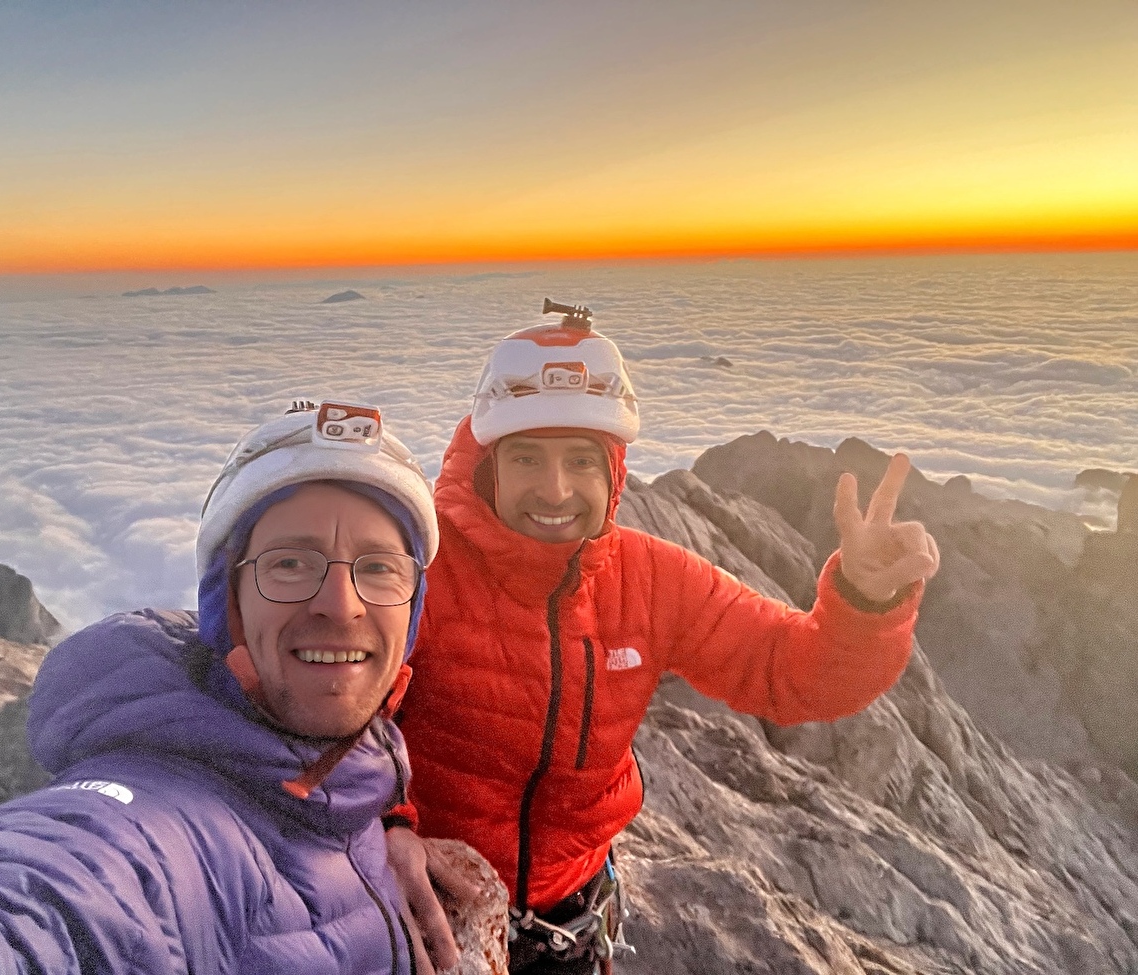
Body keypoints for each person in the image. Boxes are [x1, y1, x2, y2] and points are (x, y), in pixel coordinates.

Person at [385, 300, 941, 974]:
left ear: (613, 472)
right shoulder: (423, 571)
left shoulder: (647, 579)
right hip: (422, 917)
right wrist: (387, 826)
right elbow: (328, 714)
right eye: (527, 457)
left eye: (581, 462)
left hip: (573, 925)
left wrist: (863, 600)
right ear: (488, 465)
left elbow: (790, 670)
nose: (555, 489)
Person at [0, 399, 445, 975]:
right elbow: (31, 905)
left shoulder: (344, 782)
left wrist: (392, 827)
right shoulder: (170, 819)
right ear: (225, 604)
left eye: (379, 568)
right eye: (289, 563)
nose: (341, 606)